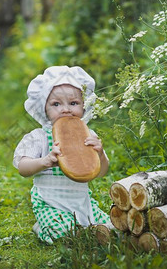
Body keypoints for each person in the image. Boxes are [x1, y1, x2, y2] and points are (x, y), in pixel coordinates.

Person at [13, 65, 111, 244]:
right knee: (63, 230)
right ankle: (46, 226)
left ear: (84, 106)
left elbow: (102, 172)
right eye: (56, 104)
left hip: (82, 203)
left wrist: (100, 154)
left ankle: (89, 229)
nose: (66, 109)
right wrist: (45, 161)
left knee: (112, 227)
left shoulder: (88, 136)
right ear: (45, 109)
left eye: (73, 103)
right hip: (50, 204)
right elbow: (23, 168)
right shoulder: (39, 137)